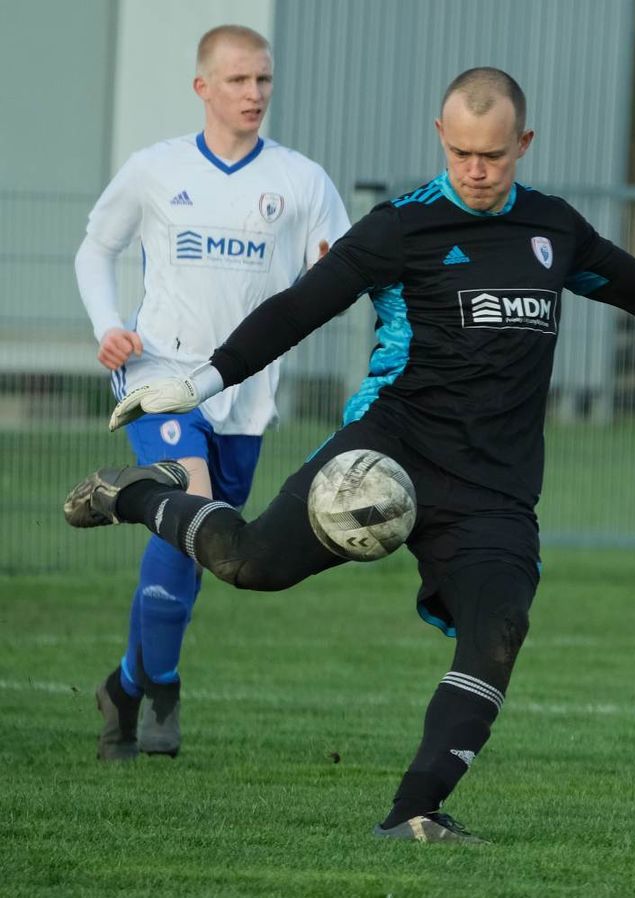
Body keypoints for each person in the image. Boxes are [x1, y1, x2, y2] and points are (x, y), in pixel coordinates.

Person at [65, 67, 635, 841]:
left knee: (498, 630)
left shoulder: (553, 231)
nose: (475, 169)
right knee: (250, 564)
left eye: (493, 155)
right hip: (389, 448)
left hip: (495, 488)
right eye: (461, 151)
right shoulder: (402, 226)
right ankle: (132, 495)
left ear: (522, 144)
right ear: (441, 137)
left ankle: (413, 811)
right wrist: (197, 383)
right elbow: (300, 307)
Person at [73, 24, 350, 762]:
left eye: (262, 80)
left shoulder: (302, 181)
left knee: (209, 547)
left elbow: (340, 273)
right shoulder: (155, 170)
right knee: (190, 510)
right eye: (237, 81)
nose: (254, 93)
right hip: (159, 374)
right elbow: (96, 247)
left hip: (246, 392)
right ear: (203, 88)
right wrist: (108, 328)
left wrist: (340, 277)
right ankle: (161, 684)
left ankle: (130, 684)